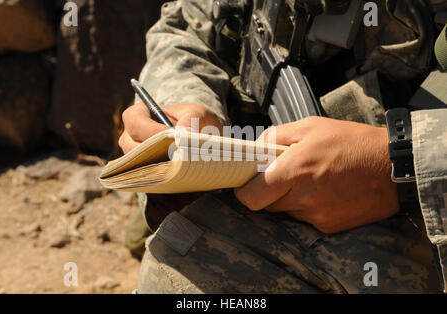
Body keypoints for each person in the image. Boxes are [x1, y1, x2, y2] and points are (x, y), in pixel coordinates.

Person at [119, 0, 447, 293]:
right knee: (162, 236)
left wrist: (399, 160)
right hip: (276, 154)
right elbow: (188, 20)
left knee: (185, 274)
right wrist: (184, 101)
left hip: (422, 196)